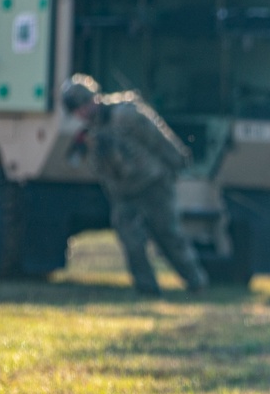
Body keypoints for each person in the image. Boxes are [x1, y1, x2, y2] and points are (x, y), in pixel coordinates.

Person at [61, 74, 209, 296]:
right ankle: (147, 289)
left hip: (153, 184)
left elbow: (157, 138)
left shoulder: (125, 115)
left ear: (93, 99)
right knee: (131, 240)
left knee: (168, 235)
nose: (81, 113)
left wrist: (178, 159)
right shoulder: (89, 134)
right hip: (123, 192)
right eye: (77, 110)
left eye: (83, 106)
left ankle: (196, 283)